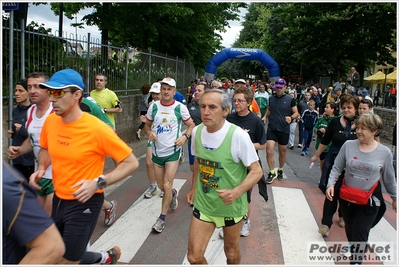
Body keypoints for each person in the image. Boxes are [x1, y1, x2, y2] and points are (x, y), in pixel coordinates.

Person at [30, 69, 139, 264]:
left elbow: (131, 163)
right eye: (50, 92)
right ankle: (104, 258)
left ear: (76, 95)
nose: (52, 99)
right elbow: (45, 148)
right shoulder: (51, 121)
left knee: (67, 260)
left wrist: (99, 182)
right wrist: (41, 168)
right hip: (58, 198)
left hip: (85, 203)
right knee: (54, 253)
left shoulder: (96, 129)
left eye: (58, 93)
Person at [185, 89, 262, 264]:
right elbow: (198, 161)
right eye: (203, 106)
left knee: (231, 253)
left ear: (225, 111)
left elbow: (257, 171)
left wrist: (236, 192)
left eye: (212, 107)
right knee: (194, 257)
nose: (205, 112)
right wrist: (193, 187)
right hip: (204, 204)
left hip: (230, 207)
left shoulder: (238, 136)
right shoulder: (196, 132)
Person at [325, 114, 397, 265]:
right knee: (351, 232)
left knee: (360, 233)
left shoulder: (384, 153)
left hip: (370, 200)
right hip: (348, 198)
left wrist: (395, 198)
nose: (358, 131)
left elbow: (389, 178)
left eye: (363, 128)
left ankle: (356, 262)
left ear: (374, 131)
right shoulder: (348, 146)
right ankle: (353, 247)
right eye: (357, 127)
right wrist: (330, 184)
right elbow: (337, 167)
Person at [144, 77, 195, 233]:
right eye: (163, 89)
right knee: (162, 187)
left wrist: (184, 137)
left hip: (173, 152)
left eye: (169, 89)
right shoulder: (153, 107)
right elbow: (147, 125)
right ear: (161, 91)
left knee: (166, 184)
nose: (166, 92)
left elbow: (191, 125)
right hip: (157, 151)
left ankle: (161, 218)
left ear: (174, 91)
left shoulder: (180, 108)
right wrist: (149, 133)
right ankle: (172, 193)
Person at [310, 94, 360, 237]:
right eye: (343, 107)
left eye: (349, 108)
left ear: (356, 109)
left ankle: (343, 215)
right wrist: (316, 156)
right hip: (335, 160)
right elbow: (325, 140)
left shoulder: (362, 123)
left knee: (347, 192)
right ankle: (326, 224)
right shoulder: (334, 122)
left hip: (353, 163)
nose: (346, 110)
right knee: (331, 191)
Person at [7, 72, 54, 215]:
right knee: (39, 220)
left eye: (37, 86)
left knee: (50, 223)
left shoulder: (56, 111)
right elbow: (33, 138)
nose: (32, 90)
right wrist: (20, 150)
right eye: (29, 87)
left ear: (48, 88)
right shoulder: (31, 111)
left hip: (57, 176)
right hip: (38, 175)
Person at [225, 85, 267, 237]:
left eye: (240, 101)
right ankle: (229, 224)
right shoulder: (229, 118)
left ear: (248, 102)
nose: (236, 104)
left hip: (248, 165)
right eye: (235, 100)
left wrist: (244, 146)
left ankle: (245, 222)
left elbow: (263, 144)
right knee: (230, 193)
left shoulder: (255, 121)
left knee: (245, 196)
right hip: (230, 165)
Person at [79, 95, 119, 226]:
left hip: (88, 156)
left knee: (88, 189)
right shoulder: (55, 108)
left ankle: (108, 206)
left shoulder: (90, 105)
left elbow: (110, 128)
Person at [264, 78, 299, 183]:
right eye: (277, 87)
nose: (278, 89)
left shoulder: (290, 99)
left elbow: (296, 112)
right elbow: (269, 109)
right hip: (272, 128)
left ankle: (280, 169)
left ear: (285, 87)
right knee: (269, 150)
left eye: (280, 87)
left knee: (282, 152)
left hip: (283, 129)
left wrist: (291, 118)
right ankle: (271, 172)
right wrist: (265, 117)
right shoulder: (271, 98)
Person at [6, 79, 35, 180]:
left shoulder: (34, 111)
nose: (16, 94)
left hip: (29, 160)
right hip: (17, 159)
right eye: (16, 90)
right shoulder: (15, 111)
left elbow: (37, 135)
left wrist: (22, 130)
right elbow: (17, 131)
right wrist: (13, 134)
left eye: (20, 91)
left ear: (28, 93)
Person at [142, 82, 163, 198]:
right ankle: (152, 186)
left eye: (157, 93)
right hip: (153, 137)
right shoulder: (152, 105)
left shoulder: (172, 105)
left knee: (163, 164)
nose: (155, 96)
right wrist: (146, 125)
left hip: (166, 139)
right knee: (149, 163)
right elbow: (148, 123)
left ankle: (165, 187)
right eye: (153, 93)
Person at [313, 102, 339, 173]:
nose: (325, 109)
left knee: (328, 163)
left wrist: (327, 132)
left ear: (332, 109)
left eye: (327, 107)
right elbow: (314, 129)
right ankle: (323, 178)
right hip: (321, 145)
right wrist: (319, 130)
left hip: (330, 146)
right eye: (325, 107)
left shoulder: (336, 120)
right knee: (322, 163)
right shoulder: (321, 119)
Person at [187, 82, 206, 172]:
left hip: (206, 141)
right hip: (193, 140)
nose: (196, 92)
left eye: (199, 90)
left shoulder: (209, 106)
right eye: (196, 90)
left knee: (204, 167)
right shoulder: (191, 106)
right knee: (193, 167)